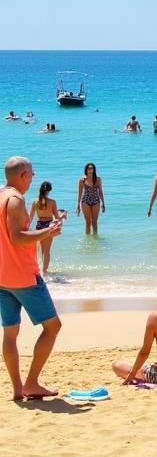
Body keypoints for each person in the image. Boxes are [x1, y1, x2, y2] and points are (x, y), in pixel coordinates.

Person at [1, 157, 64, 399]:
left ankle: (18, 389)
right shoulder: (15, 200)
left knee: (10, 333)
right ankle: (31, 383)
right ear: (24, 175)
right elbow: (17, 237)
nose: (33, 178)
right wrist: (48, 232)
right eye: (32, 174)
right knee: (53, 326)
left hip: (3, 275)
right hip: (23, 276)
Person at [27, 180, 61, 273]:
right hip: (48, 225)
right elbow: (57, 217)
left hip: (39, 225)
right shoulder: (52, 202)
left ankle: (42, 270)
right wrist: (62, 215)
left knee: (42, 250)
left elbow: (30, 218)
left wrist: (26, 228)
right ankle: (45, 271)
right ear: (49, 190)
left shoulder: (35, 202)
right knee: (47, 251)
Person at [76, 161, 106, 235]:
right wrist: (78, 205)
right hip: (85, 201)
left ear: (94, 170)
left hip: (96, 200)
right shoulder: (82, 180)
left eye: (92, 168)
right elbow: (79, 193)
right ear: (86, 170)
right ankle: (88, 242)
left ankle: (95, 240)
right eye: (89, 168)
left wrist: (103, 203)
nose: (90, 170)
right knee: (88, 223)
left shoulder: (98, 179)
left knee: (94, 222)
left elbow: (100, 192)